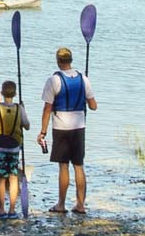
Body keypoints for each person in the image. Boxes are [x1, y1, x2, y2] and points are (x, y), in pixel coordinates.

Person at [37, 45, 99, 215]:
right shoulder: (83, 79)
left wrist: (43, 132)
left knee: (63, 166)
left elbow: (47, 108)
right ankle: (80, 205)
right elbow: (93, 106)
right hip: (79, 127)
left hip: (61, 128)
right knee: (79, 166)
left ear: (58, 61)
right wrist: (82, 99)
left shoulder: (53, 80)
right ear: (71, 60)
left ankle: (61, 204)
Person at [0, 80, 25, 219]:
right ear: (15, 94)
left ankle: (2, 210)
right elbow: (27, 125)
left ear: (2, 93)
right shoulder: (19, 109)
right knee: (13, 178)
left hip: (0, 147)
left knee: (1, 178)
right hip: (14, 148)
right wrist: (23, 110)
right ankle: (12, 210)